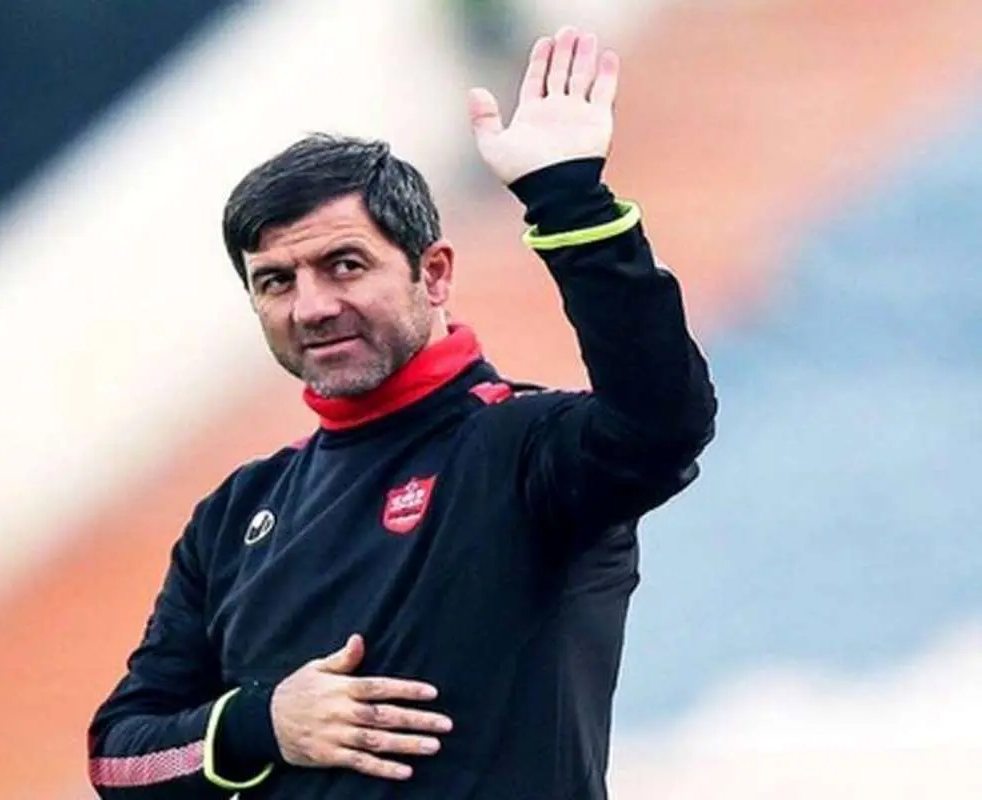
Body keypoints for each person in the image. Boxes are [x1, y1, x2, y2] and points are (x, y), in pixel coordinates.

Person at [87, 26, 716, 800]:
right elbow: (118, 759)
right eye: (276, 281)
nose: (312, 306)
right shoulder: (234, 515)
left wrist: (569, 200)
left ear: (435, 273)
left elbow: (663, 419)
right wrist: (263, 723)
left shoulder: (522, 450)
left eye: (344, 265)